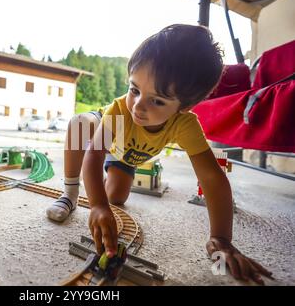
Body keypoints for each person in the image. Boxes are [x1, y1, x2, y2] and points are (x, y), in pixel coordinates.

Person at [46, 24, 272, 285]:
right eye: (134, 90)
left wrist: (221, 238)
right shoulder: (121, 110)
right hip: (107, 133)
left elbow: (212, 177)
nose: (139, 106)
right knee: (78, 124)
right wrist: (96, 205)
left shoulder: (185, 124)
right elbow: (94, 155)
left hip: (126, 156)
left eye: (157, 100)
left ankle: (105, 187)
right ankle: (70, 194)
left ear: (185, 106)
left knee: (116, 196)